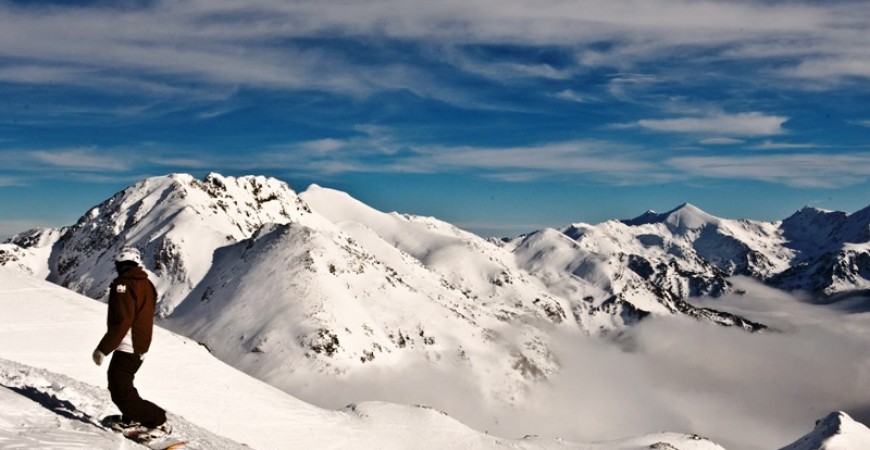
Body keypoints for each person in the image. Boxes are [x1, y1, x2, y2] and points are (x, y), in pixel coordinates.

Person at [92, 247, 170, 436]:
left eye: (118, 265)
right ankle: (130, 418)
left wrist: (103, 349)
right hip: (139, 344)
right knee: (123, 385)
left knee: (120, 390)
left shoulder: (124, 285)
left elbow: (122, 320)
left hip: (128, 345)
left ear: (122, 265)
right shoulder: (146, 283)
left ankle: (157, 421)